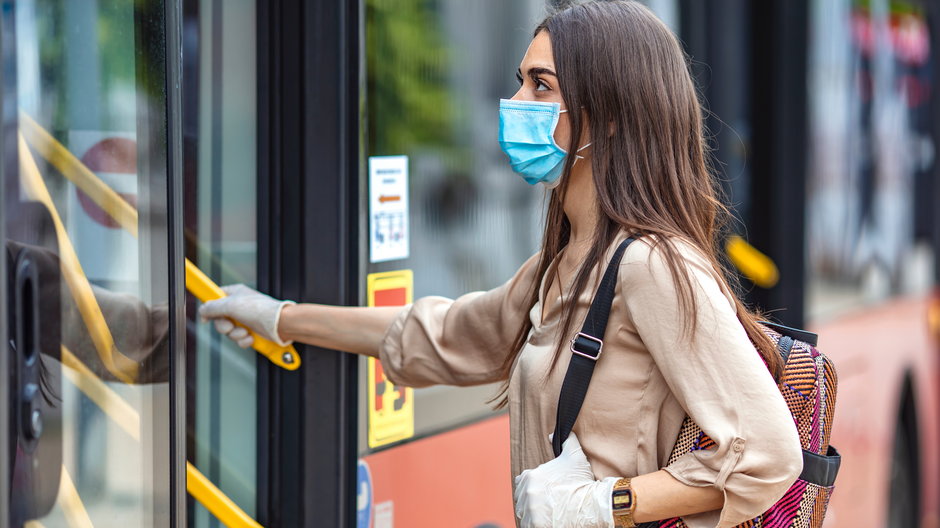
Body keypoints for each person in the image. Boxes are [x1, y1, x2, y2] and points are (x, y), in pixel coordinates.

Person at [199, 2, 802, 527]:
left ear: (612, 113)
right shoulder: (568, 263)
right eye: (521, 82)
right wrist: (281, 318)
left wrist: (602, 506)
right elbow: (442, 336)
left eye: (542, 86)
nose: (515, 103)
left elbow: (768, 454)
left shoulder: (653, 264)